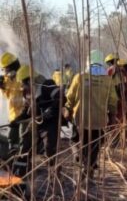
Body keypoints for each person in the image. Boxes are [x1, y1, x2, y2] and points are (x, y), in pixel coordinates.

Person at [65, 50, 118, 178]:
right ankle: (89, 168)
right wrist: (112, 118)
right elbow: (113, 101)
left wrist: (67, 109)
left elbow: (70, 97)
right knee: (95, 145)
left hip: (81, 119)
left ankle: (81, 160)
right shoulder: (107, 80)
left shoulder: (80, 77)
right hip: (99, 120)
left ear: (88, 61)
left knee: (78, 142)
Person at [16, 65, 62, 162]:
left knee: (50, 149)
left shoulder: (47, 85)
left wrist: (50, 110)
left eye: (23, 83)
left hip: (51, 122)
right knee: (26, 143)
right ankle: (22, 169)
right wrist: (17, 120)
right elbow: (27, 109)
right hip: (37, 121)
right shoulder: (27, 92)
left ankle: (53, 171)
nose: (22, 86)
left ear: (29, 80)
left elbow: (61, 98)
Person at [0, 52, 25, 149]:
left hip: (24, 116)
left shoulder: (24, 76)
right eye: (4, 70)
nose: (5, 72)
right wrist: (2, 87)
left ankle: (21, 159)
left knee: (22, 141)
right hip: (13, 116)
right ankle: (15, 158)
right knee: (13, 142)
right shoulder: (8, 79)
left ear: (13, 67)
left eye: (6, 69)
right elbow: (7, 96)